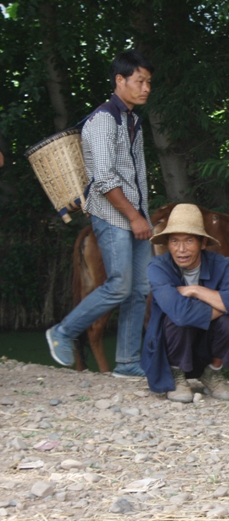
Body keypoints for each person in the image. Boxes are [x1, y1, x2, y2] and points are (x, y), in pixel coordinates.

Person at [46, 50, 154, 378]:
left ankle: (126, 362)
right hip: (111, 214)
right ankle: (62, 332)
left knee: (140, 289)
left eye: (149, 82)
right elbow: (105, 178)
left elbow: (137, 175)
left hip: (135, 214)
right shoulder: (103, 119)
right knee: (120, 284)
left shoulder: (132, 120)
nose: (146, 87)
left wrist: (143, 215)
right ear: (120, 81)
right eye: (140, 81)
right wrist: (134, 218)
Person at [141, 204, 229, 403]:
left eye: (189, 241)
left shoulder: (220, 263)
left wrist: (196, 290)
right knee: (179, 319)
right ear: (168, 244)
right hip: (171, 349)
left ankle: (213, 373)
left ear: (202, 243)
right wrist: (224, 306)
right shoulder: (158, 267)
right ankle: (176, 375)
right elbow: (181, 315)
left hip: (205, 347)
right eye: (174, 241)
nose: (181, 249)